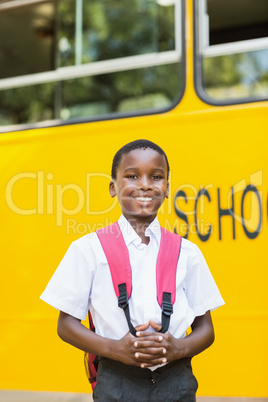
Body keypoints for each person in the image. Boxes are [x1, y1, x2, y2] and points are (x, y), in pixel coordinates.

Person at [40, 139, 224, 402]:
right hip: (116, 381)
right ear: (113, 188)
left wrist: (179, 348)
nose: (145, 184)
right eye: (132, 176)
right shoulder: (88, 249)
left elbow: (206, 328)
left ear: (167, 188)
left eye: (156, 176)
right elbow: (66, 325)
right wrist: (115, 349)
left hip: (177, 381)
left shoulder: (188, 252)